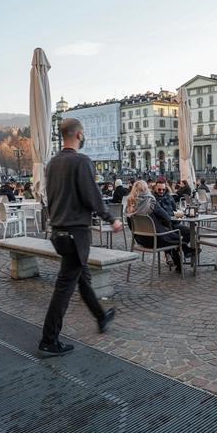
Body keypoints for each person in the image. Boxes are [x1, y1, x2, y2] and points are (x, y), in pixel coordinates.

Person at [39, 118, 122, 357]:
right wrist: (111, 218)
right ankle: (49, 339)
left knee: (82, 277)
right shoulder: (81, 161)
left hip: (59, 232)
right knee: (64, 287)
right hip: (76, 234)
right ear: (78, 135)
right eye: (83, 134)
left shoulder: (52, 163)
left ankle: (100, 316)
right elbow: (92, 195)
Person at [126, 180, 191, 272]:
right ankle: (184, 254)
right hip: (155, 239)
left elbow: (130, 225)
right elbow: (167, 218)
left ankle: (184, 252)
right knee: (177, 238)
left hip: (140, 240)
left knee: (174, 236)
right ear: (146, 189)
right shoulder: (151, 201)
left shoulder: (130, 204)